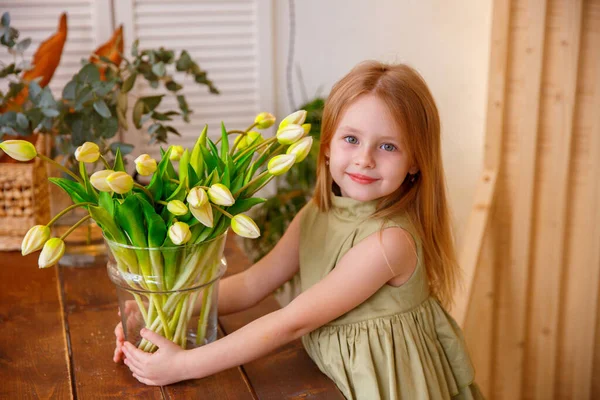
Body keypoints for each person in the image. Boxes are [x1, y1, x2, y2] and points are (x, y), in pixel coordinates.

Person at [114, 60, 484, 400]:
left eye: (388, 146)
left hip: (383, 387)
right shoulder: (318, 212)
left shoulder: (389, 244)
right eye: (351, 139)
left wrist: (183, 365)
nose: (364, 158)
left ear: (417, 161)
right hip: (328, 374)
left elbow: (290, 323)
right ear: (326, 147)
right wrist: (149, 309)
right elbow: (252, 284)